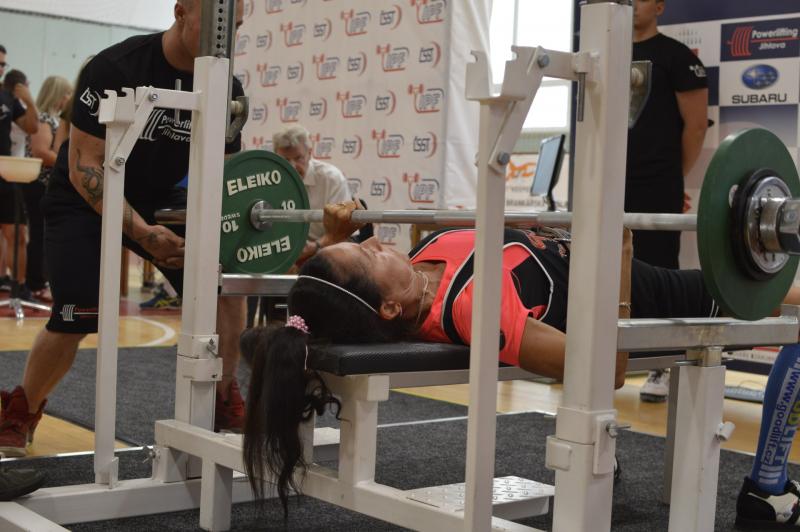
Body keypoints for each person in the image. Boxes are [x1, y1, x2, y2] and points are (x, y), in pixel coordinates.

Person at [239, 202, 765, 514]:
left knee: (764, 281)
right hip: (652, 295)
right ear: (390, 306)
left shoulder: (417, 266)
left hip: (593, 261)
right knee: (768, 292)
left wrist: (334, 239)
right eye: (366, 252)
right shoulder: (473, 309)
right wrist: (620, 262)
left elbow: (325, 298)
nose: (375, 239)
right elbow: (607, 372)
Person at [0, 0, 247, 458]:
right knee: (77, 314)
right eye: (215, 22)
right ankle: (21, 409)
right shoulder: (116, 67)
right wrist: (145, 234)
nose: (224, 37)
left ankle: (221, 396)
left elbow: (226, 172)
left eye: (234, 26)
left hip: (157, 200)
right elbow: (85, 166)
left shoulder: (225, 85)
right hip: (81, 197)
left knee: (224, 286)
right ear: (181, 11)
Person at [627, 0, 709, 402]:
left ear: (659, 6)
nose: (631, 4)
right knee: (607, 268)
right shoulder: (605, 54)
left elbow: (696, 126)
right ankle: (602, 354)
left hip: (657, 182)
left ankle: (660, 363)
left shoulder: (676, 57)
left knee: (660, 270)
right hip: (607, 180)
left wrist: (674, 180)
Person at [246, 125, 352, 327]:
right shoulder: (265, 181)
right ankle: (262, 330)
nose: (292, 166)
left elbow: (342, 232)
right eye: (285, 160)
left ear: (310, 153)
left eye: (298, 158)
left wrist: (314, 248)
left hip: (326, 246)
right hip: (285, 250)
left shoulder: (331, 179)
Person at [23, 75, 73, 302]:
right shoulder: (44, 118)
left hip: (48, 185)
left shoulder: (54, 120)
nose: (68, 98)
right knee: (39, 234)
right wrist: (68, 164)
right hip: (38, 184)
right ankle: (36, 282)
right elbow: (41, 152)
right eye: (67, 93)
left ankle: (41, 281)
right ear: (57, 95)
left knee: (45, 234)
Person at [0, 68, 38, 295]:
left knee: (16, 233)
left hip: (5, 174)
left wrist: (30, 102)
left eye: (2, 64)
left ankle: (19, 288)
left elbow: (32, 127)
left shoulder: (8, 98)